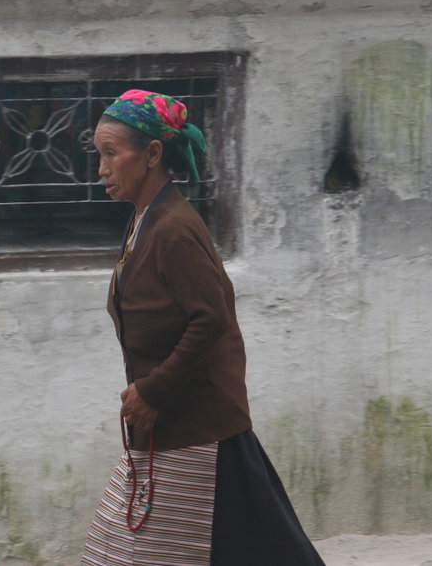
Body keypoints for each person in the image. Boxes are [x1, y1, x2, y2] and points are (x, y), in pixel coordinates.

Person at [81, 90, 325, 565]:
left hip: (194, 427)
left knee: (131, 550)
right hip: (176, 423)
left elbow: (210, 318)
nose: (102, 169)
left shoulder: (173, 229)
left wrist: (153, 391)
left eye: (112, 154)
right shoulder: (145, 222)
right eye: (99, 155)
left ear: (152, 154)